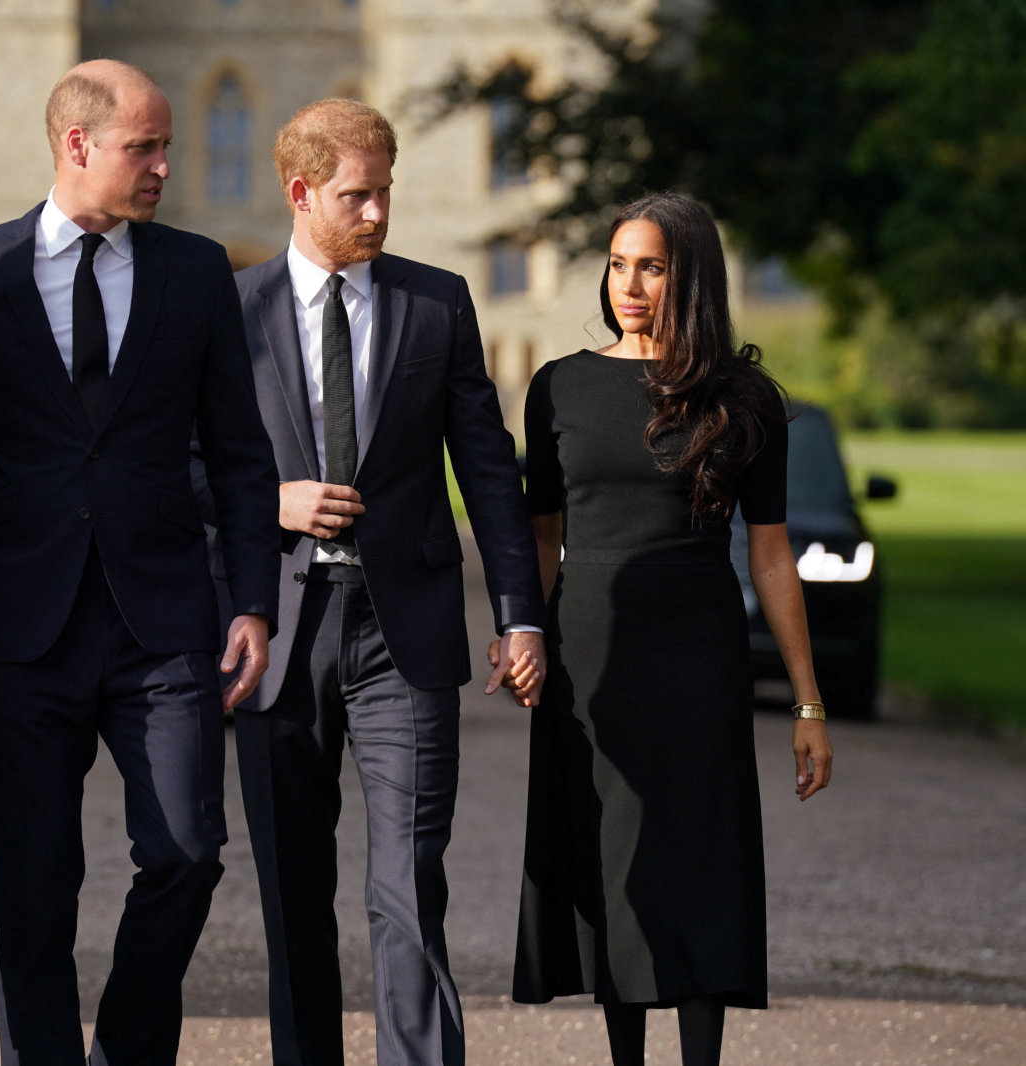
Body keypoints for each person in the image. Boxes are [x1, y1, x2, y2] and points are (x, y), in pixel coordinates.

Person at [0, 61, 281, 1065]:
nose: (166, 164)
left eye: (166, 144)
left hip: (164, 623)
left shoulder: (194, 270)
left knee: (187, 854)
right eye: (145, 146)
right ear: (77, 145)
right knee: (34, 884)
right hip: (19, 624)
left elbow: (243, 457)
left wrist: (250, 600)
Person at [217, 99, 547, 1066]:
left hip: (403, 632)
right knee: (292, 887)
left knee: (409, 879)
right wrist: (271, 501)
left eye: (384, 192)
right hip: (278, 633)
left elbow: (487, 469)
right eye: (354, 197)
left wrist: (520, 615)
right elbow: (178, 465)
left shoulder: (436, 302)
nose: (375, 213)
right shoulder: (231, 312)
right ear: (300, 192)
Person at [513, 192, 836, 1066]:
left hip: (698, 655)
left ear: (689, 274)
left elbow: (770, 557)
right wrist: (524, 636)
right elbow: (540, 534)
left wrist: (807, 705)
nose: (629, 283)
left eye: (651, 265)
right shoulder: (560, 386)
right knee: (614, 861)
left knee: (695, 859)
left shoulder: (741, 397)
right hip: (588, 651)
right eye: (619, 263)